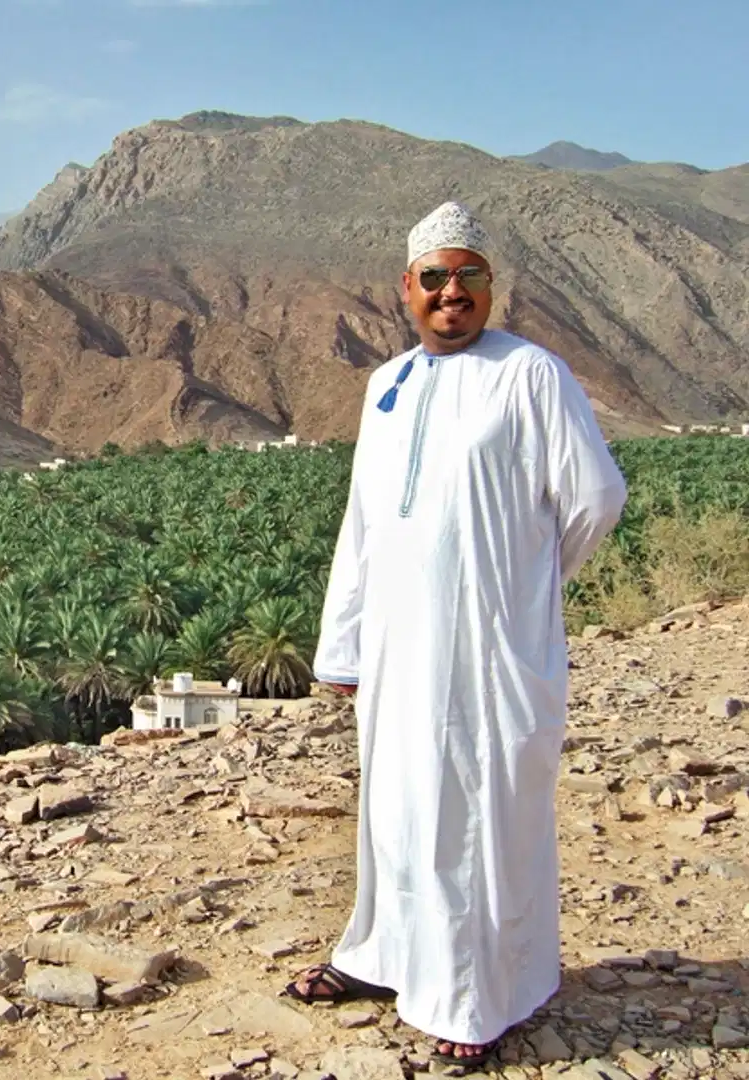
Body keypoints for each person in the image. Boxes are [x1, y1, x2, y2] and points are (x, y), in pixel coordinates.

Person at [284, 201, 628, 1068]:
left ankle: (475, 1000)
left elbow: (594, 499)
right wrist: (346, 642)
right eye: (433, 278)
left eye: (467, 277)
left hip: (487, 651)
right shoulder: (387, 384)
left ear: (490, 287)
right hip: (400, 652)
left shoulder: (530, 375)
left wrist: (524, 590)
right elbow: (364, 521)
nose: (451, 294)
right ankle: (382, 958)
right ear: (406, 289)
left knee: (475, 819)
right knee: (396, 809)